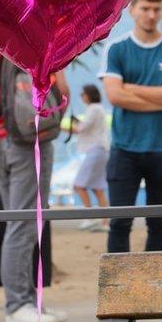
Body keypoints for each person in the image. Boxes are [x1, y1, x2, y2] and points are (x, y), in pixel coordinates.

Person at [0, 37, 69, 322]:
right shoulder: (36, 35)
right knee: (25, 223)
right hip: (28, 142)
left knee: (15, 221)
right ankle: (18, 305)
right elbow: (62, 90)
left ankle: (26, 302)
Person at [98, 0, 162, 253]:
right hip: (124, 148)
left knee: (158, 222)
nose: (151, 15)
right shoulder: (116, 48)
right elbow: (115, 96)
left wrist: (133, 88)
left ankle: (155, 288)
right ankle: (118, 289)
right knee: (119, 221)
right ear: (132, 10)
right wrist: (160, 96)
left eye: (156, 9)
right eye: (145, 9)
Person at [72, 84, 110, 231]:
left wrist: (57, 127)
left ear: (90, 95)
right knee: (97, 188)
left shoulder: (94, 109)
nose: (81, 96)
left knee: (79, 185)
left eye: (83, 94)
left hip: (95, 150)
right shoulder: (99, 109)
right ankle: (105, 223)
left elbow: (81, 128)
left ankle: (89, 217)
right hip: (102, 150)